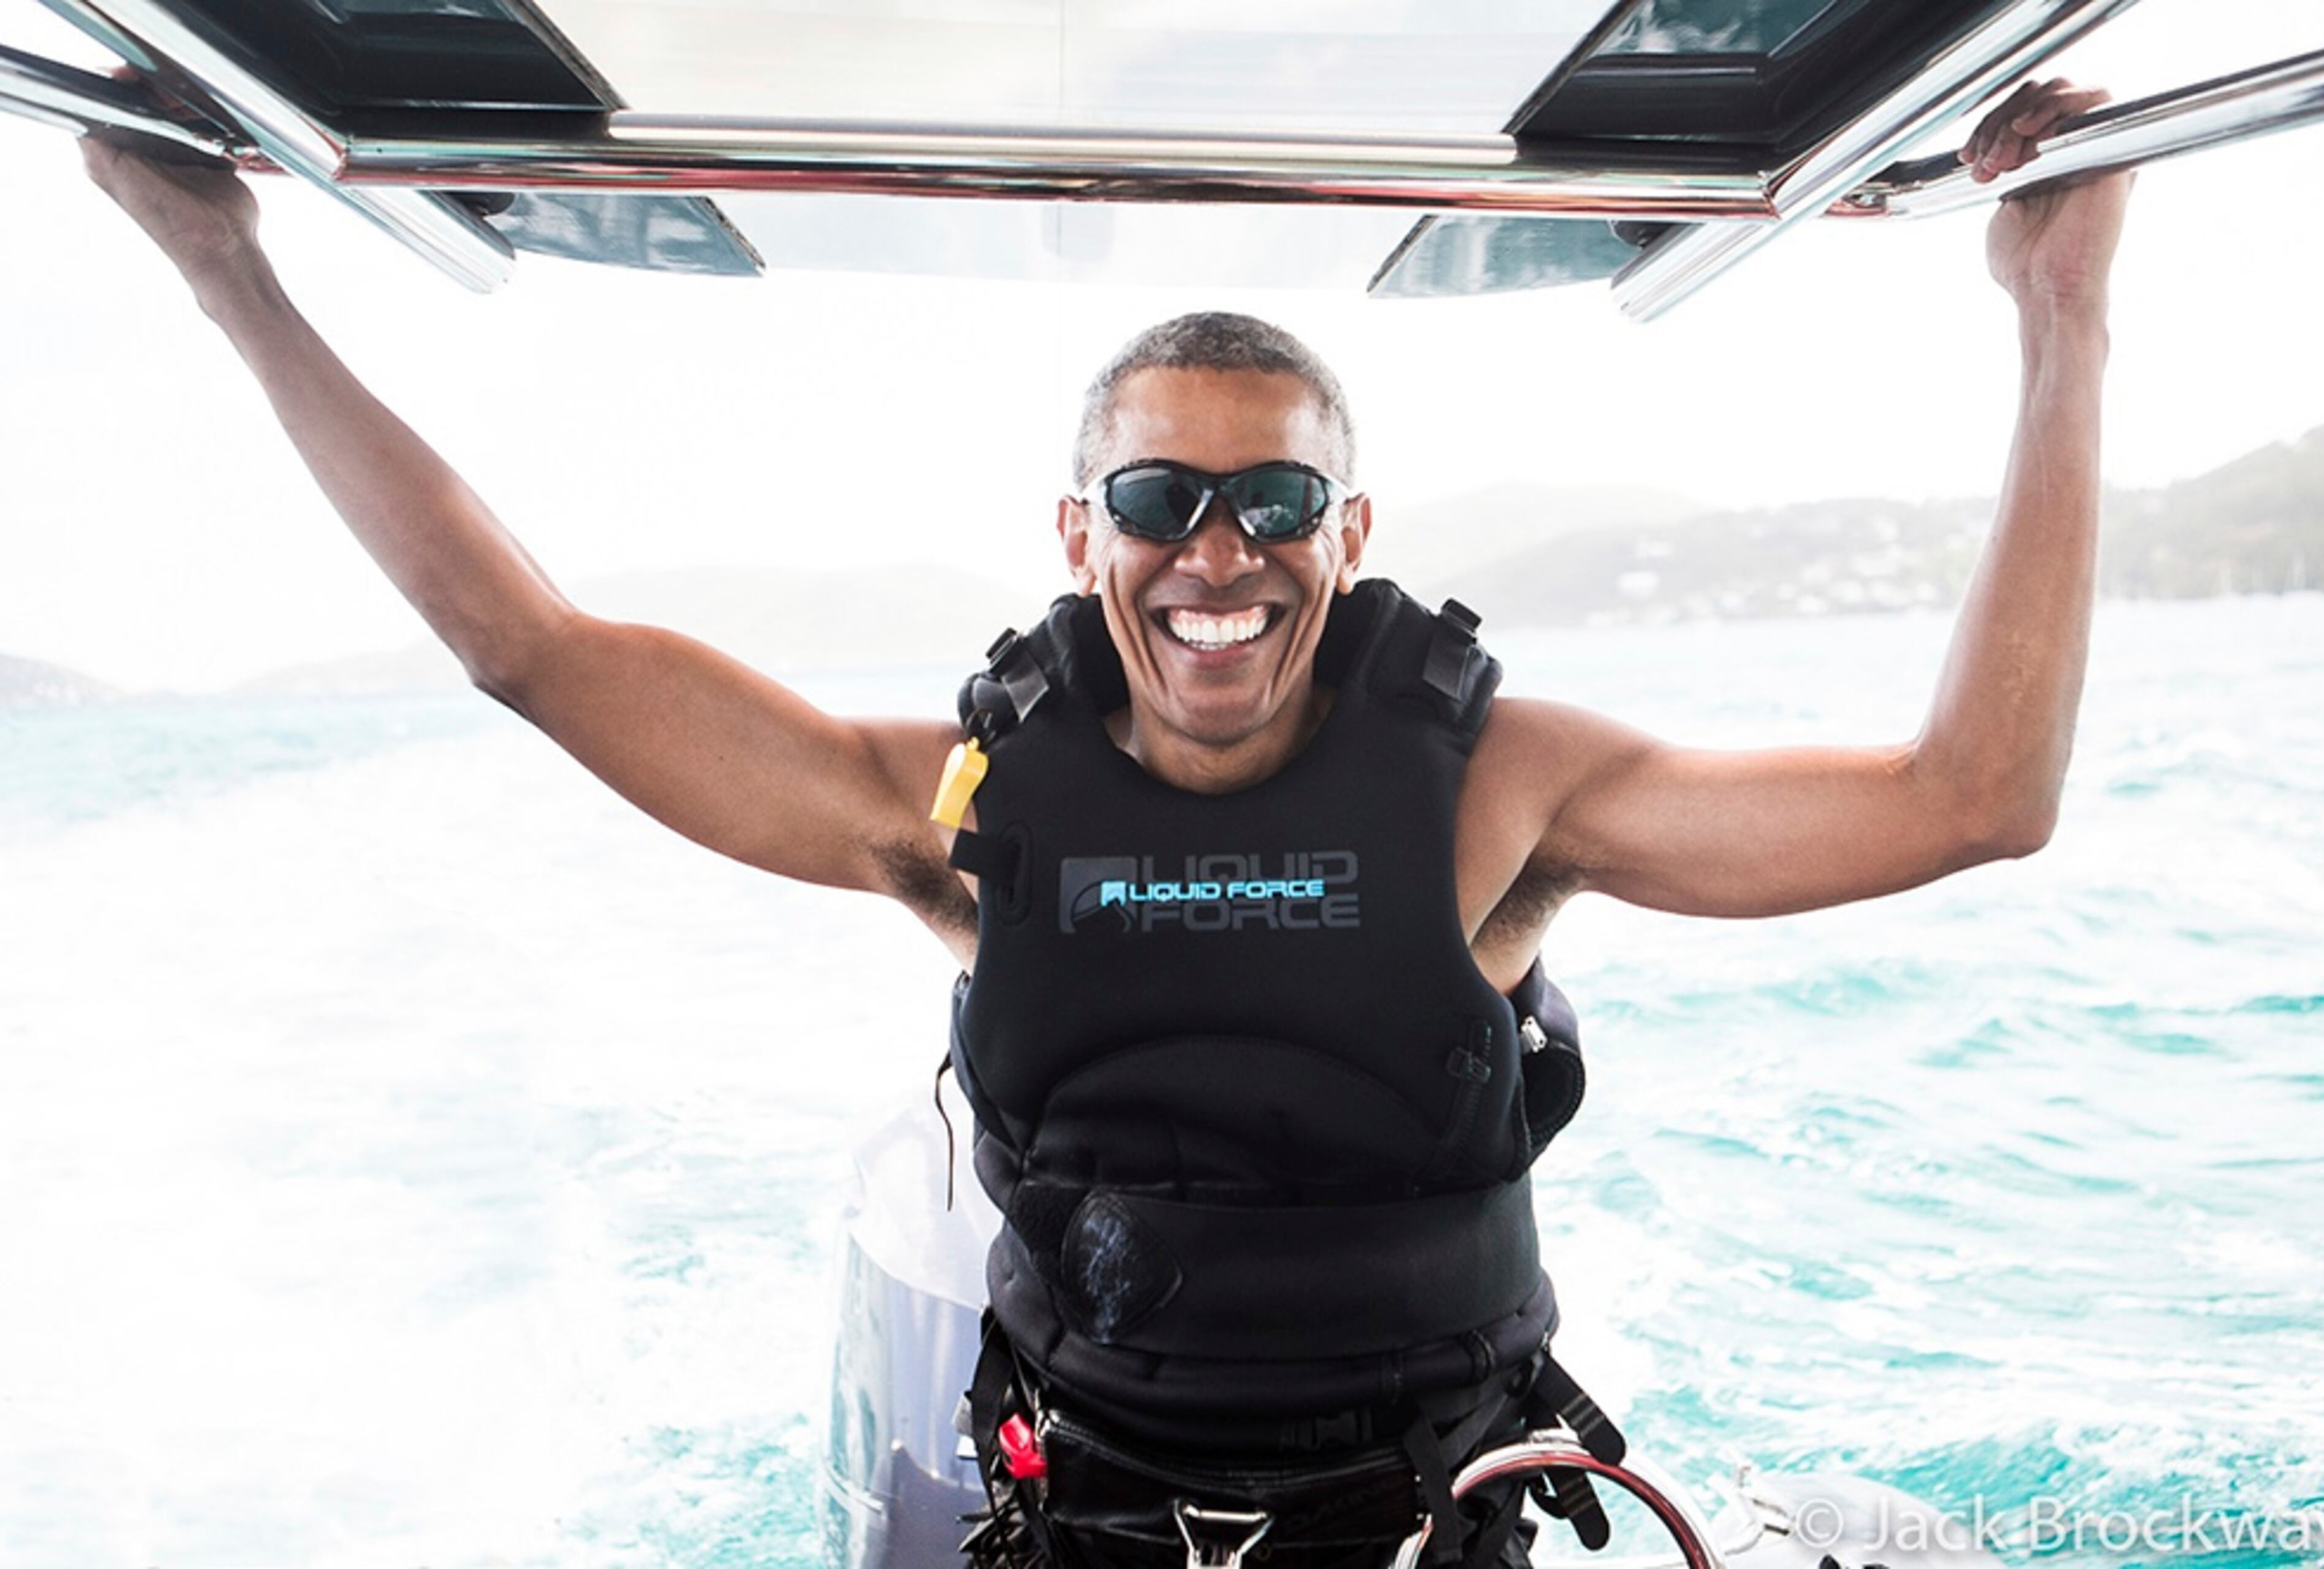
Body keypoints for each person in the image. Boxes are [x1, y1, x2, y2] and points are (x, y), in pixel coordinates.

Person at [80, 75, 2129, 1569]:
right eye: (1157, 501)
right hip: (1087, 1527)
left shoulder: (1507, 789)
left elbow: (1974, 801)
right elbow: (524, 645)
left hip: (1443, 1521)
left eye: (1273, 502)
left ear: (1352, 533)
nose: (1214, 553)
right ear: (1082, 536)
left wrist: (2061, 322)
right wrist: (219, 270)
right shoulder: (958, 805)